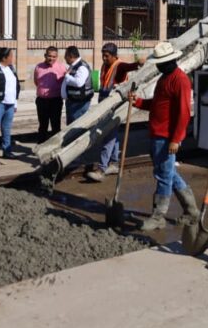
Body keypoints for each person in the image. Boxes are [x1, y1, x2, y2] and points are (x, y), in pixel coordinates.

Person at [128, 42, 199, 231]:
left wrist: (176, 139)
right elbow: (157, 104)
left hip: (166, 136)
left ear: (170, 61)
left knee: (163, 176)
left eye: (160, 62)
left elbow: (184, 112)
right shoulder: (164, 78)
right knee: (169, 174)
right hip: (157, 133)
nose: (158, 65)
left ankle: (158, 216)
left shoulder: (180, 80)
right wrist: (139, 102)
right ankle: (191, 211)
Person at [85, 43, 143, 182]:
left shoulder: (119, 66)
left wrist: (138, 63)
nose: (104, 58)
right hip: (105, 104)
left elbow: (130, 67)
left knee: (108, 136)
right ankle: (114, 163)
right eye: (103, 55)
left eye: (107, 56)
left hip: (115, 106)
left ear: (114, 55)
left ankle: (102, 168)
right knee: (114, 135)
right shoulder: (105, 66)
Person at [33, 46, 66, 142]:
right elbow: (36, 82)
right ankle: (41, 149)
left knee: (56, 126)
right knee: (42, 126)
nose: (51, 58)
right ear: (45, 55)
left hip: (55, 101)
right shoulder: (38, 67)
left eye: (54, 56)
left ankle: (55, 149)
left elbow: (64, 84)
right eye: (49, 56)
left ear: (57, 57)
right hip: (41, 101)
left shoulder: (61, 68)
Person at [61, 46, 93, 125]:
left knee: (76, 127)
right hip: (73, 102)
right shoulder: (74, 66)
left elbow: (79, 83)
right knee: (71, 126)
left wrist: (67, 76)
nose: (64, 58)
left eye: (66, 56)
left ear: (70, 56)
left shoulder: (82, 67)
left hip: (79, 103)